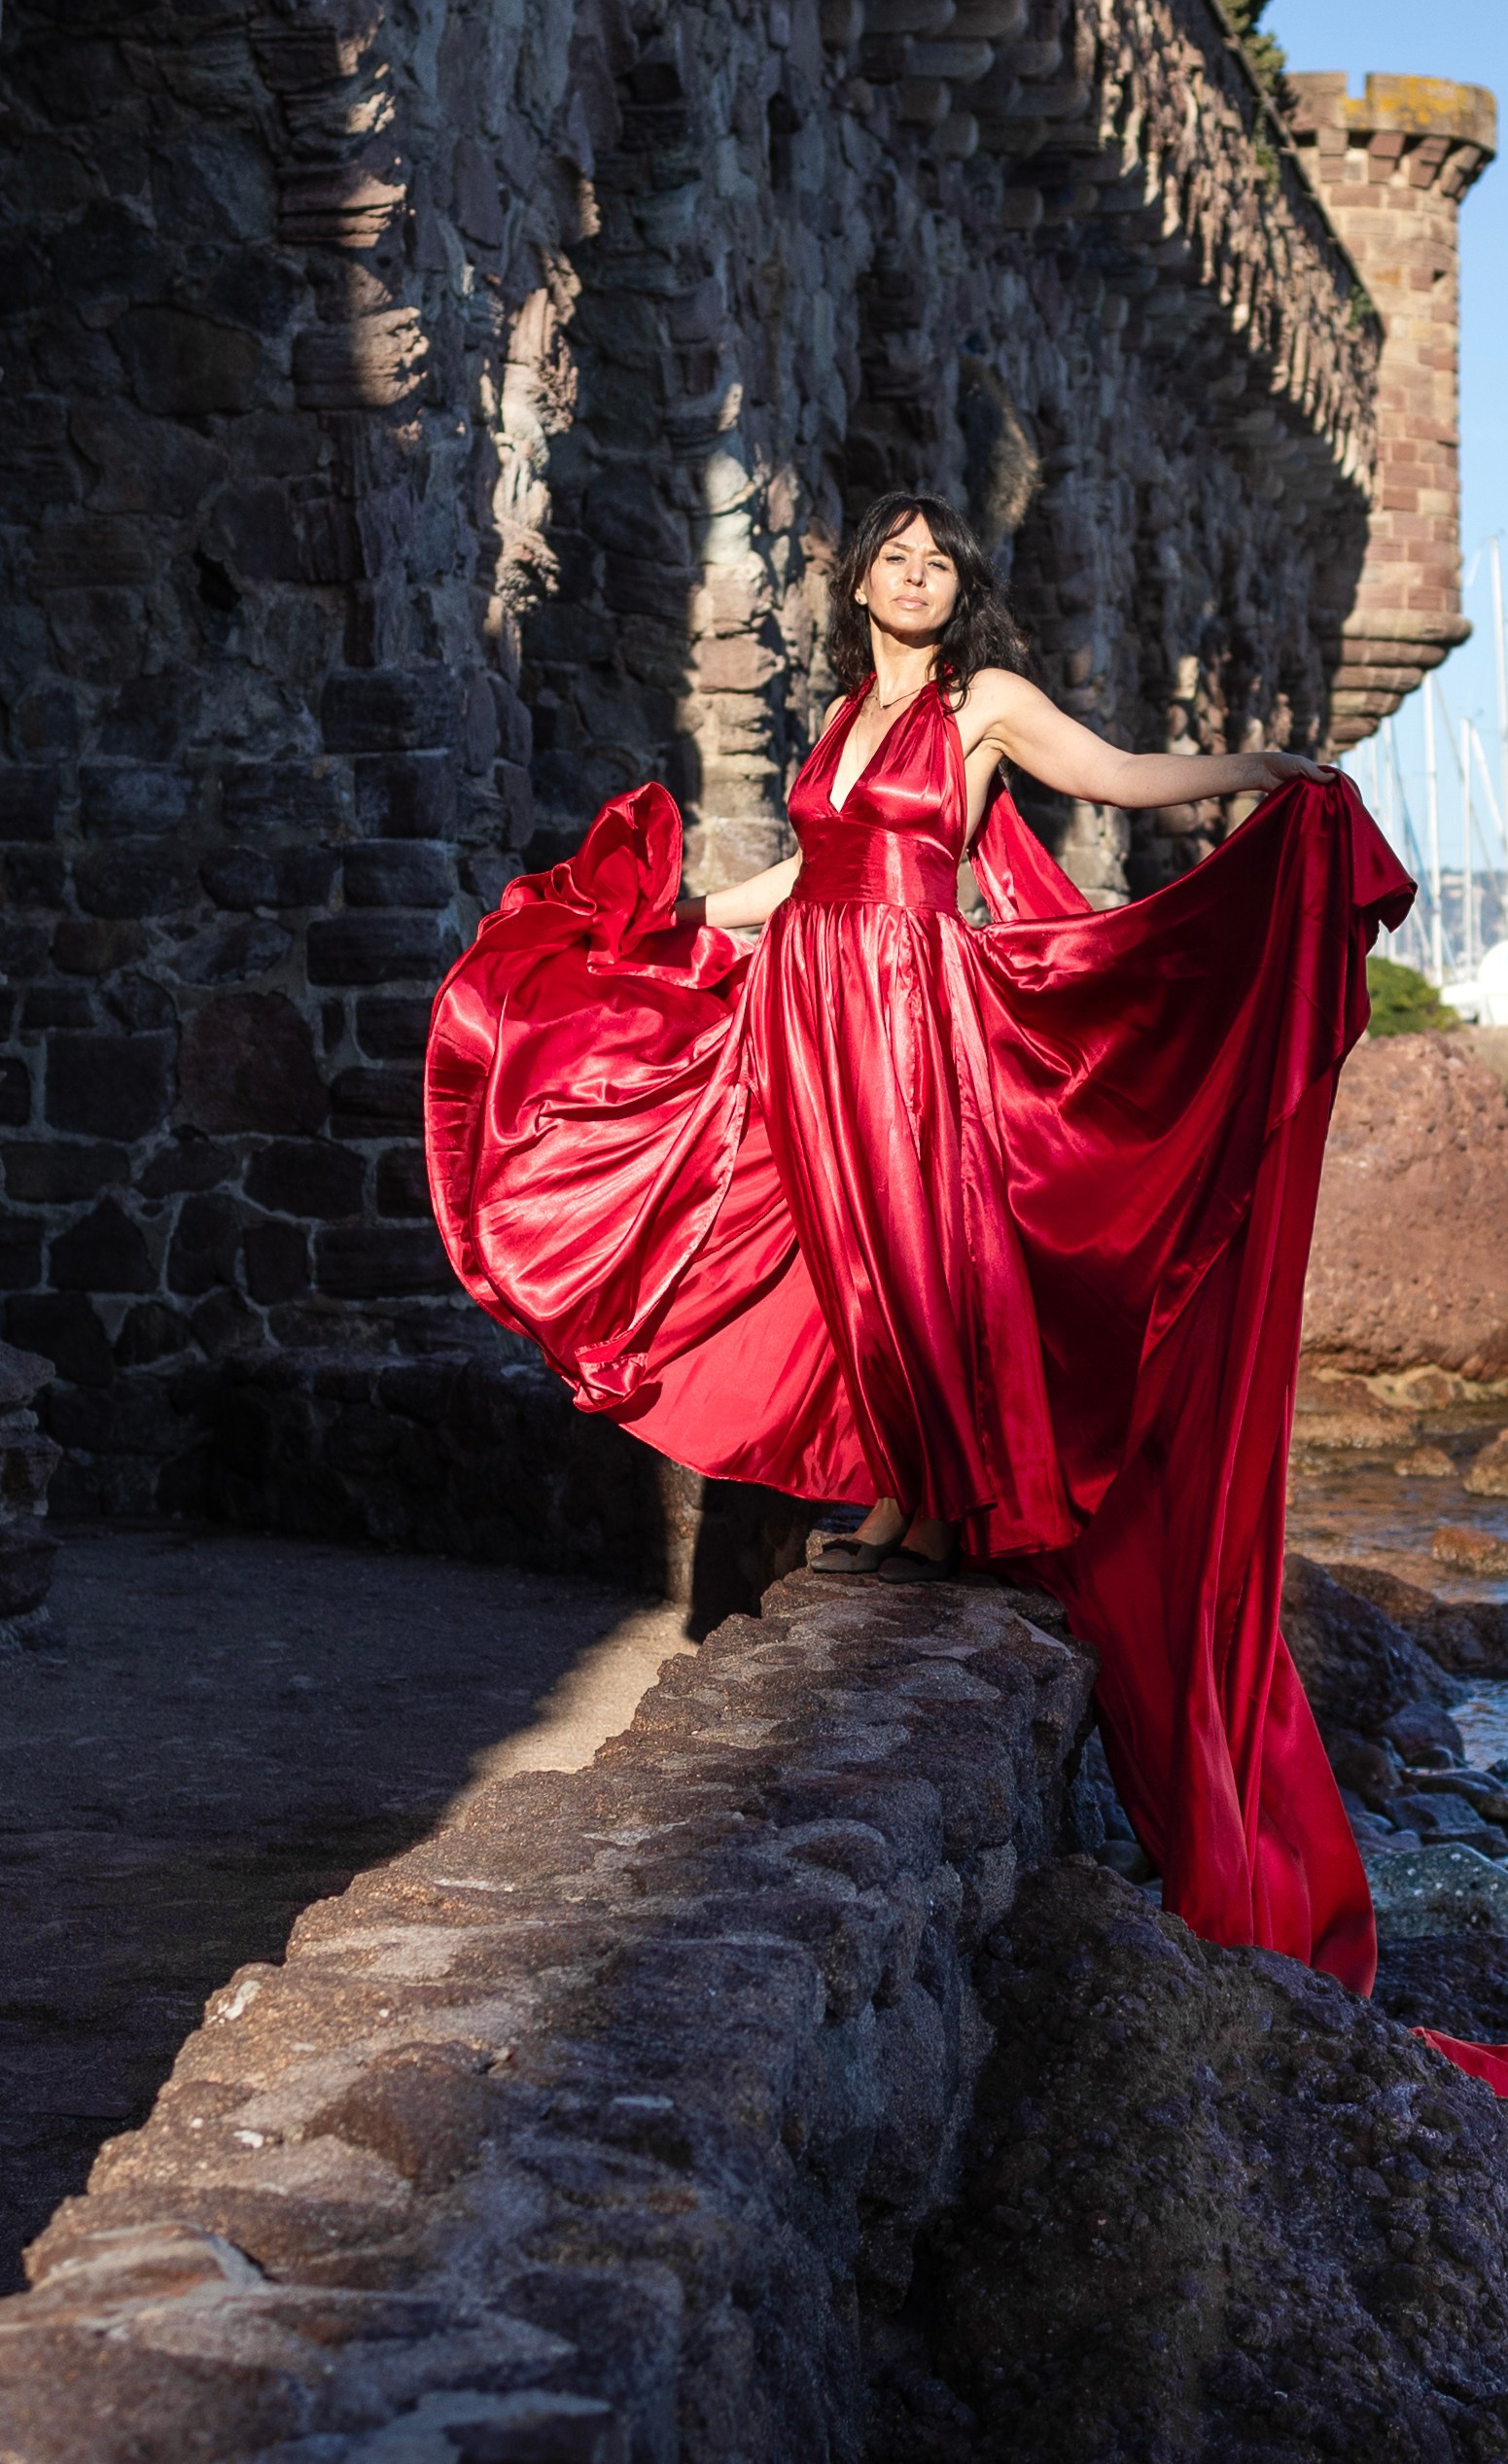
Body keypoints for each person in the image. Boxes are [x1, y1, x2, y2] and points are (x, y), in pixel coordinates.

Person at [430, 489, 1409, 1985]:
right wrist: (688, 927)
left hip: (908, 1013)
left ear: (960, 589)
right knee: (841, 1264)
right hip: (810, 1008)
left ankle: (945, 1511)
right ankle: (905, 1500)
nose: (918, 575)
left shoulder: (986, 704)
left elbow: (1123, 775)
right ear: (859, 583)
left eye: (939, 559)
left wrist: (1261, 770)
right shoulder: (834, 719)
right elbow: (800, 874)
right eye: (896, 556)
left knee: (921, 1252)